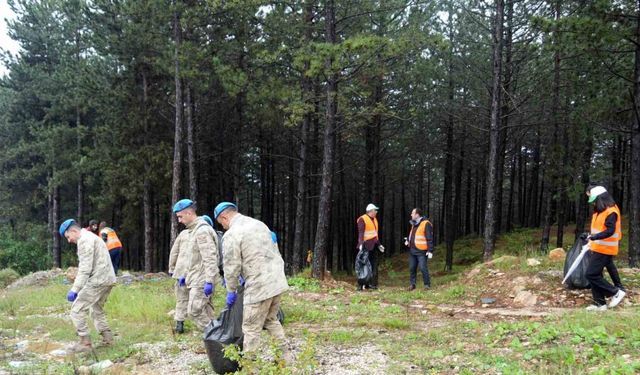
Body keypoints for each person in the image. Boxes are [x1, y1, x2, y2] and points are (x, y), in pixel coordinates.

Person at [214, 202, 290, 359]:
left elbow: (231, 265)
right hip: (276, 281)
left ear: (224, 217)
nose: (223, 227)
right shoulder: (259, 224)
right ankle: (286, 358)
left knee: (250, 326)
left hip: (258, 285)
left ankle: (250, 367)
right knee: (270, 319)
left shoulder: (233, 234)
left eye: (221, 223)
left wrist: (231, 290)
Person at [59, 218, 116, 352]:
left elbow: (85, 268)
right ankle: (108, 340)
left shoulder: (84, 240)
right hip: (108, 279)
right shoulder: (91, 236)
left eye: (68, 237)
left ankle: (85, 343)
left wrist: (75, 289)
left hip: (98, 280)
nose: (69, 240)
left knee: (76, 310)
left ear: (73, 231)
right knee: (96, 309)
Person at [173, 199, 222, 329]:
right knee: (206, 310)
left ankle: (218, 337)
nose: (179, 220)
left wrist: (210, 281)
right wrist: (184, 274)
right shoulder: (192, 231)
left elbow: (210, 258)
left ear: (189, 213)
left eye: (180, 216)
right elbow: (192, 258)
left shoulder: (202, 231)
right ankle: (215, 343)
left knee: (194, 311)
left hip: (202, 279)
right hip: (195, 277)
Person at [584, 186, 626, 311]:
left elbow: (610, 231)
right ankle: (600, 304)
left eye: (595, 200)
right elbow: (598, 229)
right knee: (595, 274)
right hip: (597, 247)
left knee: (590, 274)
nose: (594, 203)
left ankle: (616, 292)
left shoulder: (611, 211)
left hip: (605, 248)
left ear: (601, 198)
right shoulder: (600, 210)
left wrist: (595, 237)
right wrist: (590, 237)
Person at [356, 203, 385, 290]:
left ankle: (373, 284)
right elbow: (361, 233)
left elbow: (375, 234)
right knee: (363, 266)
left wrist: (379, 244)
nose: (376, 212)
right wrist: (361, 243)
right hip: (365, 247)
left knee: (374, 266)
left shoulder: (375, 220)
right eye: (375, 210)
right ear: (371, 211)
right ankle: (361, 285)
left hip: (374, 246)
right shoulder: (362, 219)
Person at [167, 226, 190, 334]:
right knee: (205, 300)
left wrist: (172, 268)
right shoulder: (208, 233)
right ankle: (209, 326)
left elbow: (174, 252)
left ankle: (179, 323)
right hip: (199, 273)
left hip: (181, 271)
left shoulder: (183, 234)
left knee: (181, 298)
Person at [405, 208, 434, 290]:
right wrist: (408, 240)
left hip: (421, 251)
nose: (411, 215)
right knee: (412, 268)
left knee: (422, 267)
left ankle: (427, 285)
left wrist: (430, 250)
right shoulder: (414, 224)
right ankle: (412, 285)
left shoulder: (426, 223)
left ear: (417, 215)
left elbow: (429, 238)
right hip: (412, 250)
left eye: (412, 213)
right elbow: (412, 234)